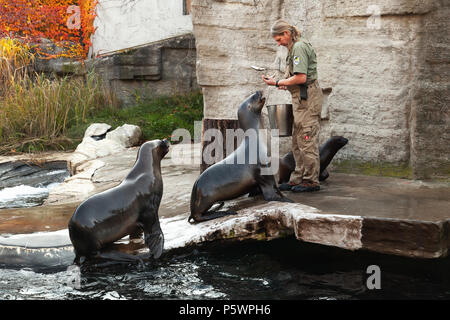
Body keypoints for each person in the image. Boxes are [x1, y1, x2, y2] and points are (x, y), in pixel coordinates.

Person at [262, 19, 323, 192]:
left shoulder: (299, 48)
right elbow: (296, 78)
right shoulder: (293, 47)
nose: (278, 43)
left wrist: (277, 82)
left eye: (279, 39)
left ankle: (311, 181)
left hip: (308, 98)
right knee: (297, 140)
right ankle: (298, 178)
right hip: (300, 99)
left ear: (286, 34)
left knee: (306, 139)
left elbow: (302, 78)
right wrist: (284, 83)